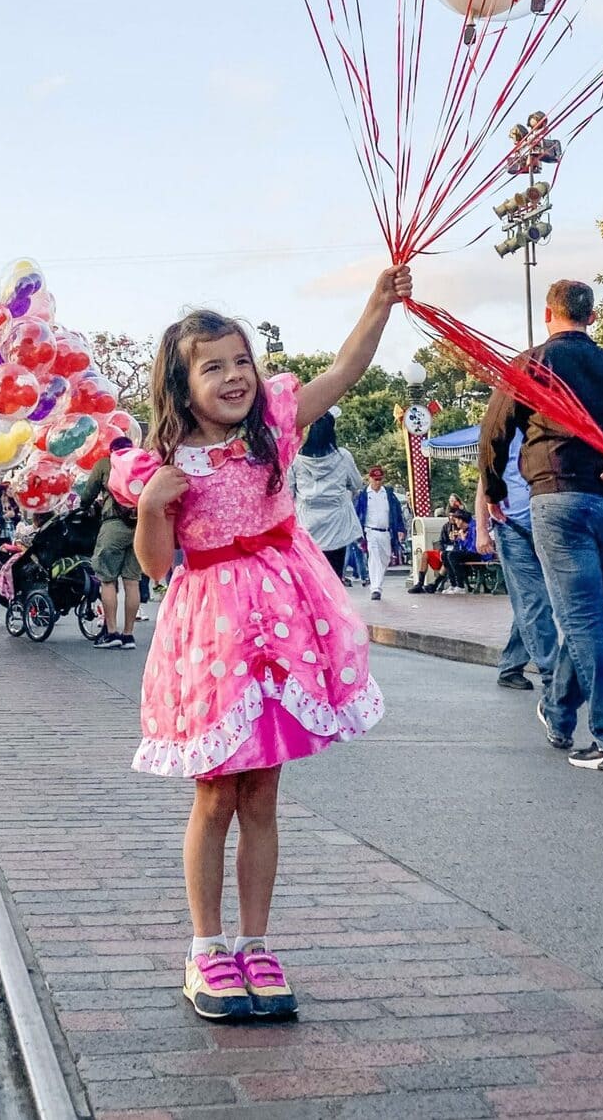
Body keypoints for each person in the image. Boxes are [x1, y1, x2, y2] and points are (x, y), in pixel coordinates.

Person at [124, 265, 409, 1022]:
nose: (233, 375)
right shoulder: (167, 464)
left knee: (264, 792)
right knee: (215, 791)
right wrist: (154, 509)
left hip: (284, 621)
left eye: (240, 360)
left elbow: (346, 371)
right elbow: (156, 567)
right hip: (212, 631)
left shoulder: (276, 425)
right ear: (181, 386)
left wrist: (377, 305)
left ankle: (256, 941)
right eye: (211, 365)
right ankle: (206, 947)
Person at [481, 280, 603, 776]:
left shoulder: (532, 364)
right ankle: (558, 712)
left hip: (558, 498)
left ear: (548, 313)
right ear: (592, 317)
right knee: (587, 617)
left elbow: (496, 431)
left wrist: (493, 492)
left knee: (581, 621)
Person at [474, 434, 558, 693]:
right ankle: (554, 675)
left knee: (531, 602)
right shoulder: (502, 431)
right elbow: (484, 484)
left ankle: (511, 665)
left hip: (548, 525)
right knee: (536, 601)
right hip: (512, 527)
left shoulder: (547, 427)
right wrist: (481, 530)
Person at [78, 437, 143, 649]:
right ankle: (129, 635)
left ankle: (112, 632)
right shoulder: (142, 463)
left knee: (107, 580)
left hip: (113, 525)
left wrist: (85, 505)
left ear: (112, 450)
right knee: (132, 582)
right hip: (140, 527)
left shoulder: (106, 463)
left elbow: (88, 494)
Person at [287, 413, 363, 580]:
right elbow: (357, 484)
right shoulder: (343, 456)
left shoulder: (296, 457)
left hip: (307, 523)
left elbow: (288, 491)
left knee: (312, 577)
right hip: (337, 524)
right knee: (334, 576)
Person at [355, 466, 407, 599]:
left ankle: (378, 583)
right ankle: (375, 588)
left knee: (385, 558)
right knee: (374, 558)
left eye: (380, 479)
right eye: (375, 479)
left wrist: (401, 529)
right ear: (370, 478)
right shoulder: (364, 495)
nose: (377, 482)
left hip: (386, 532)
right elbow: (357, 513)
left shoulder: (388, 494)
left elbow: (397, 513)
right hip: (370, 531)